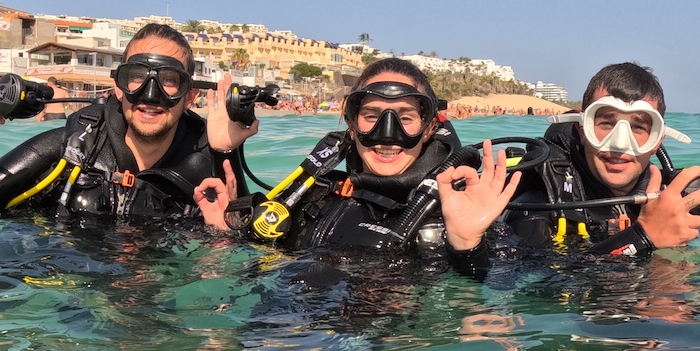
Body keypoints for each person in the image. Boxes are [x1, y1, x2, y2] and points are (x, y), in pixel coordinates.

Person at [0, 22, 256, 223]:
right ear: (117, 86)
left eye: (169, 80)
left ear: (188, 96)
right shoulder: (72, 147)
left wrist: (225, 152)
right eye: (137, 77)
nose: (150, 95)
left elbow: (251, 254)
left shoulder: (203, 166)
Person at [211, 58, 519, 263]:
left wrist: (468, 247)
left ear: (429, 129)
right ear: (351, 124)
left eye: (405, 118)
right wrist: (221, 236)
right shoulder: (314, 195)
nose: (388, 135)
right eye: (372, 116)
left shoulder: (463, 212)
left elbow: (501, 293)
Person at [456, 61, 700, 268]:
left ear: (656, 141)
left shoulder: (666, 198)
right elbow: (536, 291)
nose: (620, 144)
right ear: (582, 130)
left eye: (638, 127)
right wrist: (643, 237)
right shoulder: (541, 202)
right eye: (605, 123)